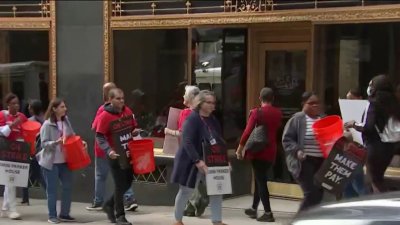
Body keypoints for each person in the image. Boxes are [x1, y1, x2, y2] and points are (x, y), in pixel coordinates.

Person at [171, 90, 227, 225]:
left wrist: (225, 161)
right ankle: (178, 220)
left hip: (211, 160)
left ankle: (217, 221)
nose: (212, 105)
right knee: (185, 191)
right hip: (191, 161)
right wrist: (197, 161)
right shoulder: (192, 119)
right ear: (200, 103)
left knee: (216, 190)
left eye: (214, 103)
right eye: (208, 102)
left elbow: (218, 140)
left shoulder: (213, 120)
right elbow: (187, 141)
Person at [87, 82, 138, 212]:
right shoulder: (106, 112)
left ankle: (100, 201)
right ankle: (129, 199)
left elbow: (94, 127)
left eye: (122, 98)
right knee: (120, 175)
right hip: (109, 149)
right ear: (110, 97)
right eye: (118, 98)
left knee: (103, 176)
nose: (121, 101)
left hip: (117, 149)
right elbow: (99, 133)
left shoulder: (105, 110)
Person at [345, 75, 400, 193]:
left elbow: (368, 127)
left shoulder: (373, 104)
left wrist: (354, 124)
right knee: (378, 178)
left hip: (375, 147)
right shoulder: (394, 104)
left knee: (374, 181)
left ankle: (380, 207)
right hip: (390, 147)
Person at [236, 87, 282, 222]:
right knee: (259, 179)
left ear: (260, 98)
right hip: (271, 150)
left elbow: (247, 131)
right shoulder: (278, 113)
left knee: (261, 181)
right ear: (273, 99)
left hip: (258, 151)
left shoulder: (257, 112)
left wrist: (240, 148)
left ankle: (268, 212)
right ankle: (254, 208)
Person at [37, 98, 82, 224]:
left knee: (67, 187)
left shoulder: (66, 121)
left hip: (65, 160)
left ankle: (64, 213)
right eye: (62, 107)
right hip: (51, 162)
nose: (65, 109)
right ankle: (52, 216)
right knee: (52, 190)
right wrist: (55, 142)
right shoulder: (47, 124)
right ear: (54, 109)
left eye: (65, 106)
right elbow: (44, 144)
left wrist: (79, 142)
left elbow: (72, 135)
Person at [165, 85, 206, 217]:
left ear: (191, 98)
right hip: (199, 151)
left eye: (185, 94)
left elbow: (183, 134)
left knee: (186, 182)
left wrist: (168, 131)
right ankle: (191, 207)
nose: (183, 96)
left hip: (187, 152)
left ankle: (197, 201)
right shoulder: (201, 113)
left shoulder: (187, 113)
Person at [282, 92, 324, 212]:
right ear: (303, 104)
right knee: (311, 193)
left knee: (319, 194)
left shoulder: (323, 119)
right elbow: (287, 139)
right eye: (311, 103)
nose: (315, 106)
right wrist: (297, 151)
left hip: (321, 163)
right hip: (305, 162)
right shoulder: (297, 119)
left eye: (317, 103)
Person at [0, 93, 28, 220]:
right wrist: (12, 124)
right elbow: (3, 133)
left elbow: (28, 130)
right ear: (8, 105)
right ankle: (12, 209)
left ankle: (5, 208)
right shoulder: (3, 115)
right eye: (13, 104)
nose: (16, 106)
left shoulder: (22, 116)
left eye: (18, 103)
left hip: (19, 152)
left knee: (10, 181)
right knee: (10, 181)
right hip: (5, 152)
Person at [341, 88, 368, 199]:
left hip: (360, 150)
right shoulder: (347, 113)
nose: (349, 102)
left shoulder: (366, 112)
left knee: (357, 181)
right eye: (347, 100)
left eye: (351, 99)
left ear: (360, 99)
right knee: (348, 182)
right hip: (349, 150)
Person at [21, 99, 46, 205]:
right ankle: (25, 198)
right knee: (35, 174)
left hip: (31, 152)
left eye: (30, 107)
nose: (28, 108)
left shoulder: (29, 121)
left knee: (30, 175)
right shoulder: (45, 120)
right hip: (41, 152)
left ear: (33, 109)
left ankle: (25, 198)